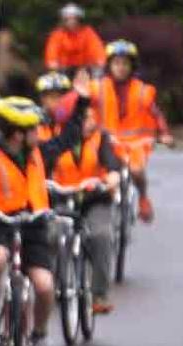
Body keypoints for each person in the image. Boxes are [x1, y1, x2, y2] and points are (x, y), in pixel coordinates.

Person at [0, 79, 90, 346]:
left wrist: (80, 103)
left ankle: (38, 338)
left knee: (44, 286)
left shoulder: (39, 154)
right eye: (33, 129)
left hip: (33, 226)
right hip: (1, 224)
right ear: (18, 134)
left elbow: (69, 137)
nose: (39, 134)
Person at [91, 39, 175, 222]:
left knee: (136, 170)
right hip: (106, 141)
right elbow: (83, 109)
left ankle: (143, 199)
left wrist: (165, 134)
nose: (121, 68)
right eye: (116, 63)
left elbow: (156, 114)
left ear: (132, 66)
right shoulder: (97, 87)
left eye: (125, 64)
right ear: (109, 65)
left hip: (136, 142)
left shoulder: (143, 90)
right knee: (98, 173)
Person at [50, 105, 122, 314]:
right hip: (64, 198)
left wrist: (112, 178)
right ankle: (56, 281)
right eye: (80, 118)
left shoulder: (101, 139)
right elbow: (41, 165)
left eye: (89, 118)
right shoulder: (58, 140)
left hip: (95, 199)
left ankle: (99, 294)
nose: (85, 122)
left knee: (101, 235)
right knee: (53, 234)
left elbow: (113, 165)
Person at [44, 3, 105, 75]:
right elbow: (52, 50)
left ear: (79, 19)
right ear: (64, 20)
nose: (72, 21)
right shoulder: (57, 35)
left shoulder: (88, 32)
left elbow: (96, 46)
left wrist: (100, 60)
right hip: (63, 70)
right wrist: (52, 62)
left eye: (74, 18)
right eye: (68, 19)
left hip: (84, 69)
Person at [36, 71, 77, 141]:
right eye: (53, 97)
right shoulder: (35, 121)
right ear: (42, 99)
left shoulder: (74, 119)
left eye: (61, 96)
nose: (58, 101)